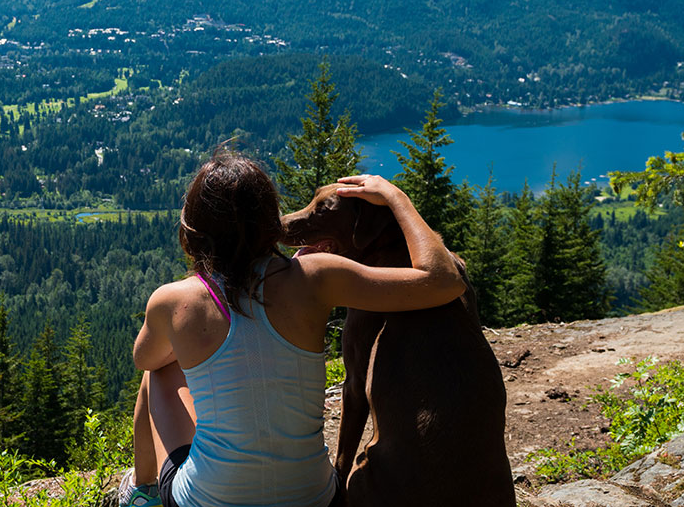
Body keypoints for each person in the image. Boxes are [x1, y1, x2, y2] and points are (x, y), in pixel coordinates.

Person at [118, 151, 467, 507]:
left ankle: (143, 492)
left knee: (156, 372)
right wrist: (395, 197)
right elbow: (444, 281)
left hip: (210, 500)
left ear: (194, 229)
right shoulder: (318, 276)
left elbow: (145, 357)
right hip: (315, 498)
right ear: (270, 220)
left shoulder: (171, 300)